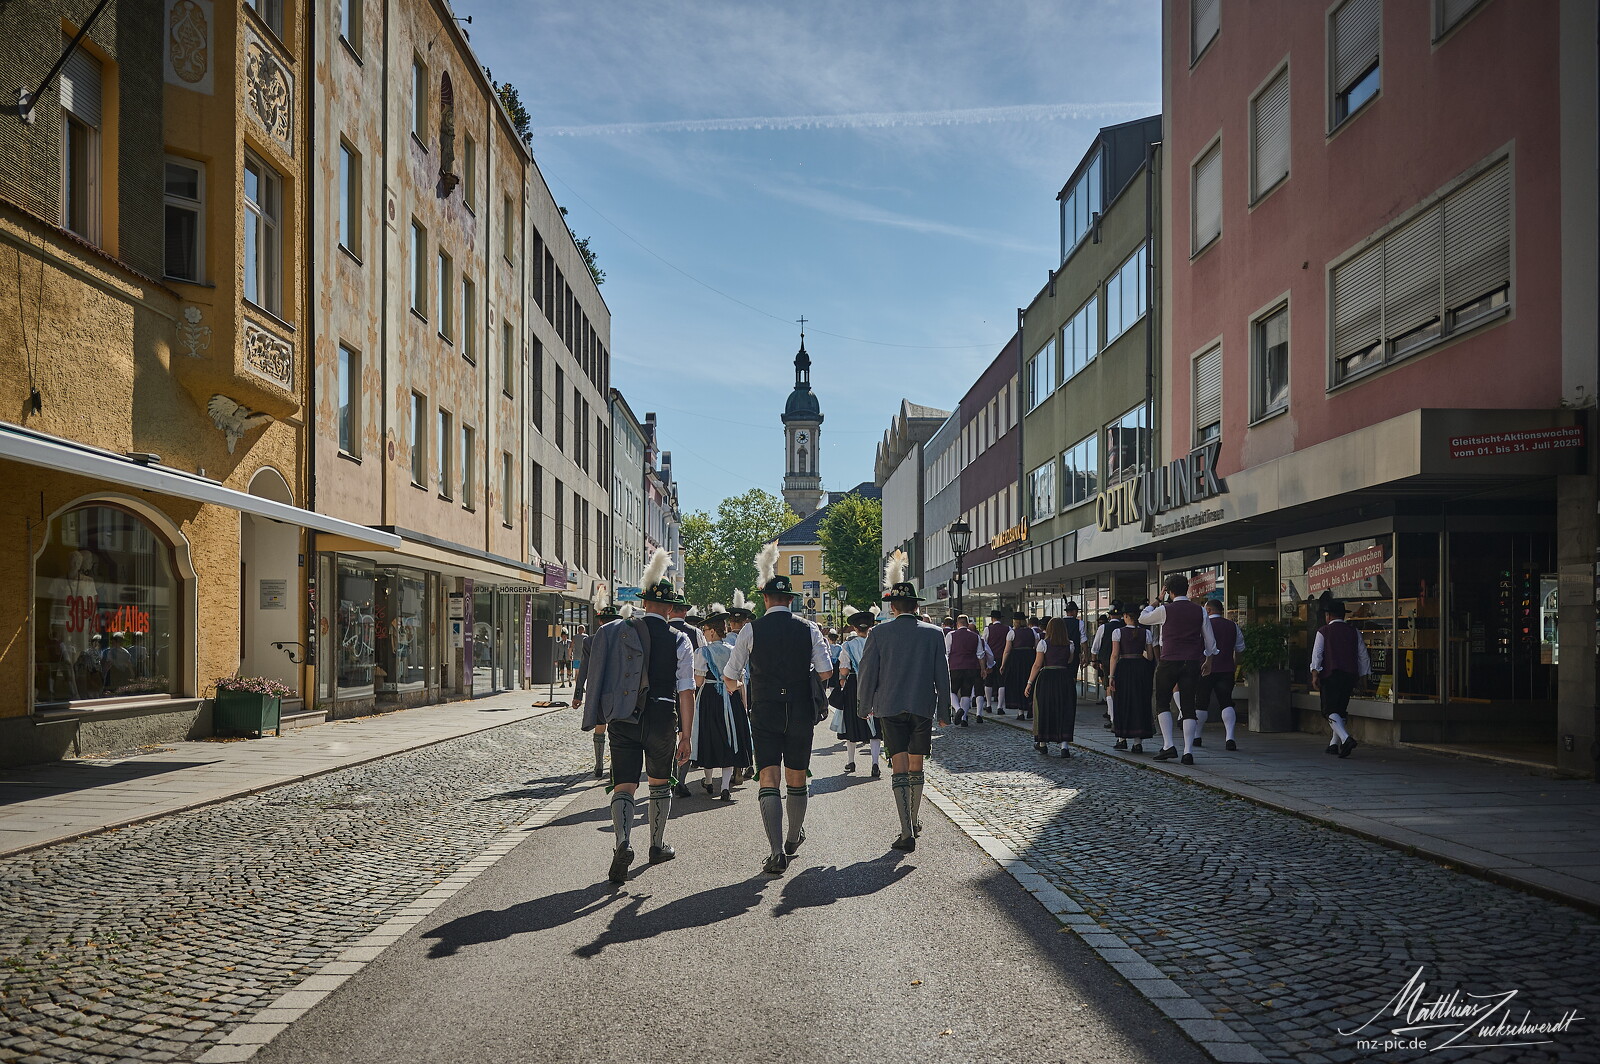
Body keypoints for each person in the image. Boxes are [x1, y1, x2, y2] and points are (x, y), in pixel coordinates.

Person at [576, 549, 695, 884]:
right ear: (671, 608)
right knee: (659, 783)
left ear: (644, 603)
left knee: (623, 785)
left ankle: (623, 842)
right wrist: (686, 735)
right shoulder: (680, 640)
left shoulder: (620, 631)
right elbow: (685, 690)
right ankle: (656, 846)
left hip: (624, 718)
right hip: (661, 715)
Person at [723, 542, 834, 875]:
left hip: (766, 709)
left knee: (768, 776)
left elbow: (731, 675)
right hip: (800, 709)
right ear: (791, 601)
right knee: (797, 776)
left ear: (766, 599)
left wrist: (741, 691)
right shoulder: (809, 628)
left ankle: (774, 852)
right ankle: (792, 836)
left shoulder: (750, 630)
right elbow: (826, 671)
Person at [856, 550, 951, 853]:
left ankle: (905, 829)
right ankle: (915, 817)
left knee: (898, 767)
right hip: (922, 706)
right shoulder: (934, 634)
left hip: (889, 706)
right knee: (916, 765)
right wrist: (945, 711)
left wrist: (863, 706)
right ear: (915, 605)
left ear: (893, 607)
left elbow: (868, 673)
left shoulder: (879, 633)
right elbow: (943, 677)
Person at [1140, 575, 1217, 765]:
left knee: (1162, 703)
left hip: (1169, 660)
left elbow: (1142, 618)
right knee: (1189, 705)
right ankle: (1188, 751)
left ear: (1169, 591)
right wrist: (1209, 660)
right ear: (1188, 589)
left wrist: (1157, 599)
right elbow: (1210, 640)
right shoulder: (1200, 610)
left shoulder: (1165, 609)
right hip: (1192, 661)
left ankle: (1168, 745)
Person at [692, 605, 745, 801]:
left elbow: (698, 682)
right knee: (728, 739)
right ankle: (725, 787)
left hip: (710, 697)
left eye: (705, 630)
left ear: (712, 631)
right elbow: (740, 678)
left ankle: (708, 781)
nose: (704, 633)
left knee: (709, 737)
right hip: (731, 697)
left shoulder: (702, 652)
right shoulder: (733, 650)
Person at [1312, 599, 1369, 758]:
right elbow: (1363, 656)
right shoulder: (1354, 632)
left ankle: (1345, 738)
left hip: (1331, 675)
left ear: (1328, 615)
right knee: (1340, 710)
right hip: (1349, 675)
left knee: (1329, 711)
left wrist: (1315, 673)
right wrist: (1363, 676)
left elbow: (1317, 655)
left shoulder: (1323, 632)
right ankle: (1333, 744)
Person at [574, 602, 623, 779]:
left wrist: (578, 695)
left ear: (600, 621)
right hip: (618, 691)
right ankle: (614, 767)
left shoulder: (590, 640)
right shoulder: (622, 639)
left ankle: (599, 764)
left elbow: (583, 670)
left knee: (600, 727)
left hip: (599, 691)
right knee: (616, 730)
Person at [833, 606, 882, 775]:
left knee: (852, 725)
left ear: (854, 628)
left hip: (855, 685)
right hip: (875, 685)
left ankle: (851, 762)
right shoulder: (877, 642)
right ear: (870, 627)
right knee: (875, 725)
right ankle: (875, 764)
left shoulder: (848, 645)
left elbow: (844, 669)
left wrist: (842, 680)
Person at [1023, 617, 1077, 757]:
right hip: (1064, 678)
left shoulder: (1043, 644)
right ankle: (1064, 746)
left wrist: (1029, 683)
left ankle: (1043, 743)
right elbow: (1069, 660)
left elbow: (1037, 665)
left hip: (1047, 678)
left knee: (1044, 708)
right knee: (1065, 709)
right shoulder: (1070, 644)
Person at [668, 602, 706, 798]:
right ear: (684, 611)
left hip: (665, 691)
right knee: (686, 733)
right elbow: (703, 659)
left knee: (667, 735)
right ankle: (680, 781)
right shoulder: (695, 633)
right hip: (687, 690)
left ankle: (668, 777)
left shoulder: (663, 631)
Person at [1108, 605, 1155, 752]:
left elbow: (1114, 655)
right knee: (1140, 701)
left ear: (1127, 616)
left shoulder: (1118, 632)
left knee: (1123, 701)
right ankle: (1137, 742)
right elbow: (1151, 656)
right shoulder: (1146, 633)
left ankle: (1122, 738)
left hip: (1124, 668)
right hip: (1141, 668)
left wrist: (1111, 675)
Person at [1202, 599, 1246, 750]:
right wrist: (1234, 664)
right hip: (1226, 669)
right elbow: (1240, 650)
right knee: (1226, 702)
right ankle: (1230, 737)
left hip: (1205, 670)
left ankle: (1196, 736)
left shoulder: (1203, 625)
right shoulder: (1233, 626)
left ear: (1208, 610)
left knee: (1201, 703)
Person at [945, 615, 985, 727]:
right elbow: (980, 654)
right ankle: (964, 719)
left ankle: (958, 709)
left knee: (952, 691)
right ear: (967, 624)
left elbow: (947, 653)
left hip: (955, 667)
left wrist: (945, 668)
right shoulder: (975, 636)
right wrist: (982, 669)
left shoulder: (951, 635)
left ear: (957, 624)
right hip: (971, 667)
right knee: (966, 693)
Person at [999, 613, 1037, 719]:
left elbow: (1007, 651)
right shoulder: (1032, 631)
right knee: (1030, 682)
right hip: (1030, 658)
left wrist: (1003, 664)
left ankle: (1020, 712)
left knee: (1019, 683)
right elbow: (1036, 645)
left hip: (1017, 660)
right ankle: (1030, 708)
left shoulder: (1012, 633)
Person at [1091, 604, 1125, 726]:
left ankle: (1112, 716)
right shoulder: (1125, 626)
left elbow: (1095, 647)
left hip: (1106, 661)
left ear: (1110, 615)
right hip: (1124, 661)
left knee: (1109, 688)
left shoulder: (1103, 627)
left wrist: (1094, 661)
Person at [981, 609, 1009, 717]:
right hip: (1003, 658)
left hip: (991, 659)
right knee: (1001, 683)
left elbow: (984, 644)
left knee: (989, 682)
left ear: (992, 619)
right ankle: (1000, 707)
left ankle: (988, 705)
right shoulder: (1008, 629)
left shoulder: (988, 629)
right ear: (1000, 618)